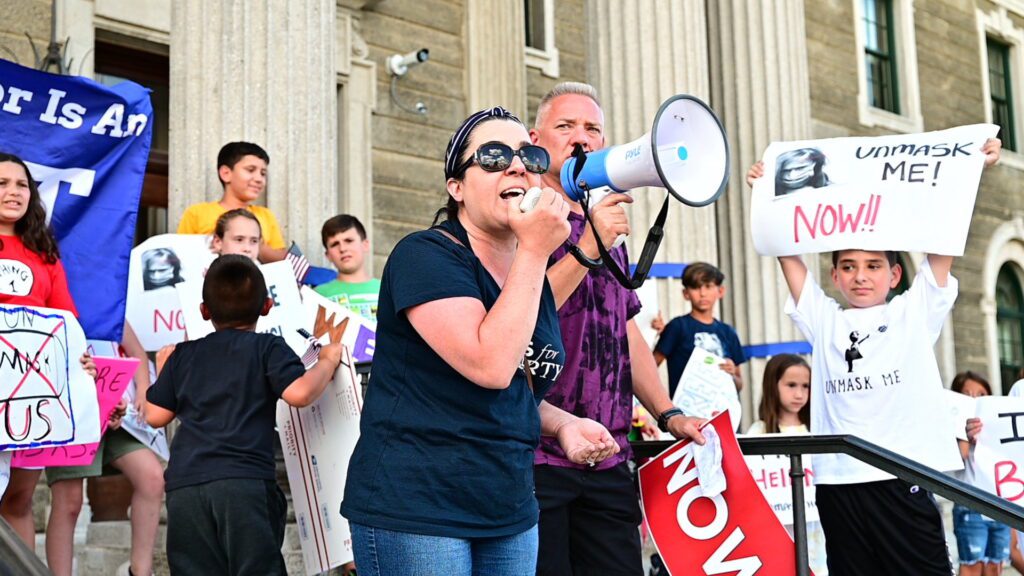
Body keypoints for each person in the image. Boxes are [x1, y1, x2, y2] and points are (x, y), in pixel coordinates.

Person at [341, 107, 620, 576]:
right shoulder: (424, 255)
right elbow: (488, 365)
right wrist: (535, 248)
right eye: (491, 157)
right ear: (456, 189)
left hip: (508, 508)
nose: (515, 166)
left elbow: (511, 386)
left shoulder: (524, 278)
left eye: (528, 156)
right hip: (420, 508)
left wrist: (563, 424)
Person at [749, 137, 1002, 576]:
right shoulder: (824, 317)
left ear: (894, 274)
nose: (860, 276)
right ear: (834, 275)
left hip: (901, 479)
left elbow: (943, 241)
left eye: (872, 265)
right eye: (848, 266)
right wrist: (767, 196)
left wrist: (970, 173)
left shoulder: (913, 310)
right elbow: (787, 255)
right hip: (838, 483)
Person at [528, 82, 706, 576]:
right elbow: (527, 312)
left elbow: (624, 332)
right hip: (538, 457)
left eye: (592, 130)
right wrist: (588, 242)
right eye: (566, 127)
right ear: (535, 138)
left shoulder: (605, 226)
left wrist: (668, 413)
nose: (580, 140)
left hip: (608, 456)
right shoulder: (521, 219)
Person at [145, 255, 342, 575]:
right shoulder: (267, 348)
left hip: (186, 488)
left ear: (204, 311)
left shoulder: (184, 355)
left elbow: (154, 414)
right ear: (266, 306)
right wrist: (328, 362)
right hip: (244, 483)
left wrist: (165, 369)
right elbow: (300, 393)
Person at [0, 152, 105, 550]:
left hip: (30, 400)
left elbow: (66, 323)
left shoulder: (44, 252)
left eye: (22, 184)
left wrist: (81, 363)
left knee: (20, 499)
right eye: (2, 183)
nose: (14, 192)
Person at [45, 322, 165, 576]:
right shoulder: (59, 305)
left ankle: (141, 572)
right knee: (69, 500)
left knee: (152, 477)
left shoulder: (108, 302)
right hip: (72, 414)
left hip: (117, 416)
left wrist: (142, 392)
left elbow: (137, 353)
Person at [745, 354, 827, 575]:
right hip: (777, 531)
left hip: (818, 529)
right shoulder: (758, 432)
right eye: (791, 385)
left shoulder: (819, 430)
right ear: (773, 385)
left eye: (805, 386)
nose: (799, 394)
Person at [177, 142, 288, 262]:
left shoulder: (266, 216)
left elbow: (283, 261)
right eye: (250, 170)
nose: (259, 179)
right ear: (226, 173)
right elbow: (181, 255)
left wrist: (255, 243)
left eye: (263, 173)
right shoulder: (197, 213)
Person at [652, 262, 746, 397]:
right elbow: (651, 366)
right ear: (686, 293)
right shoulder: (677, 327)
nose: (702, 293)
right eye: (696, 287)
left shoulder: (728, 332)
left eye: (708, 286)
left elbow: (739, 384)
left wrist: (731, 374)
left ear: (720, 291)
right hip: (685, 410)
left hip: (721, 412)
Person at [951, 371, 1010, 576]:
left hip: (999, 504)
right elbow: (961, 456)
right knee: (972, 566)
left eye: (981, 394)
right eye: (967, 393)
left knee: (995, 566)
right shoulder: (954, 427)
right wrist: (964, 432)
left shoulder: (997, 427)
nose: (975, 398)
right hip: (971, 505)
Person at [315, 214, 380, 321]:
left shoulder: (388, 292)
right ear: (328, 255)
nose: (343, 248)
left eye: (348, 241)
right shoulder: (318, 295)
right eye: (335, 244)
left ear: (365, 245)